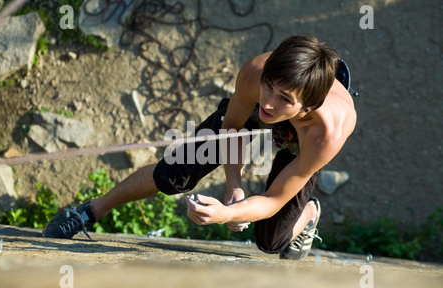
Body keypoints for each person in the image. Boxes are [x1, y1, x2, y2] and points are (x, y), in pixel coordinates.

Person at [43, 34, 357, 260]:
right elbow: (231, 129)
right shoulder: (256, 75)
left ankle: (310, 210)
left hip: (298, 142)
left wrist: (227, 214)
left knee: (272, 242)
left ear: (308, 105)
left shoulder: (325, 135)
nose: (269, 103)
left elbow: (274, 200)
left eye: (284, 98)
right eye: (269, 87)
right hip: (270, 112)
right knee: (174, 172)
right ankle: (93, 210)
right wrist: (234, 185)